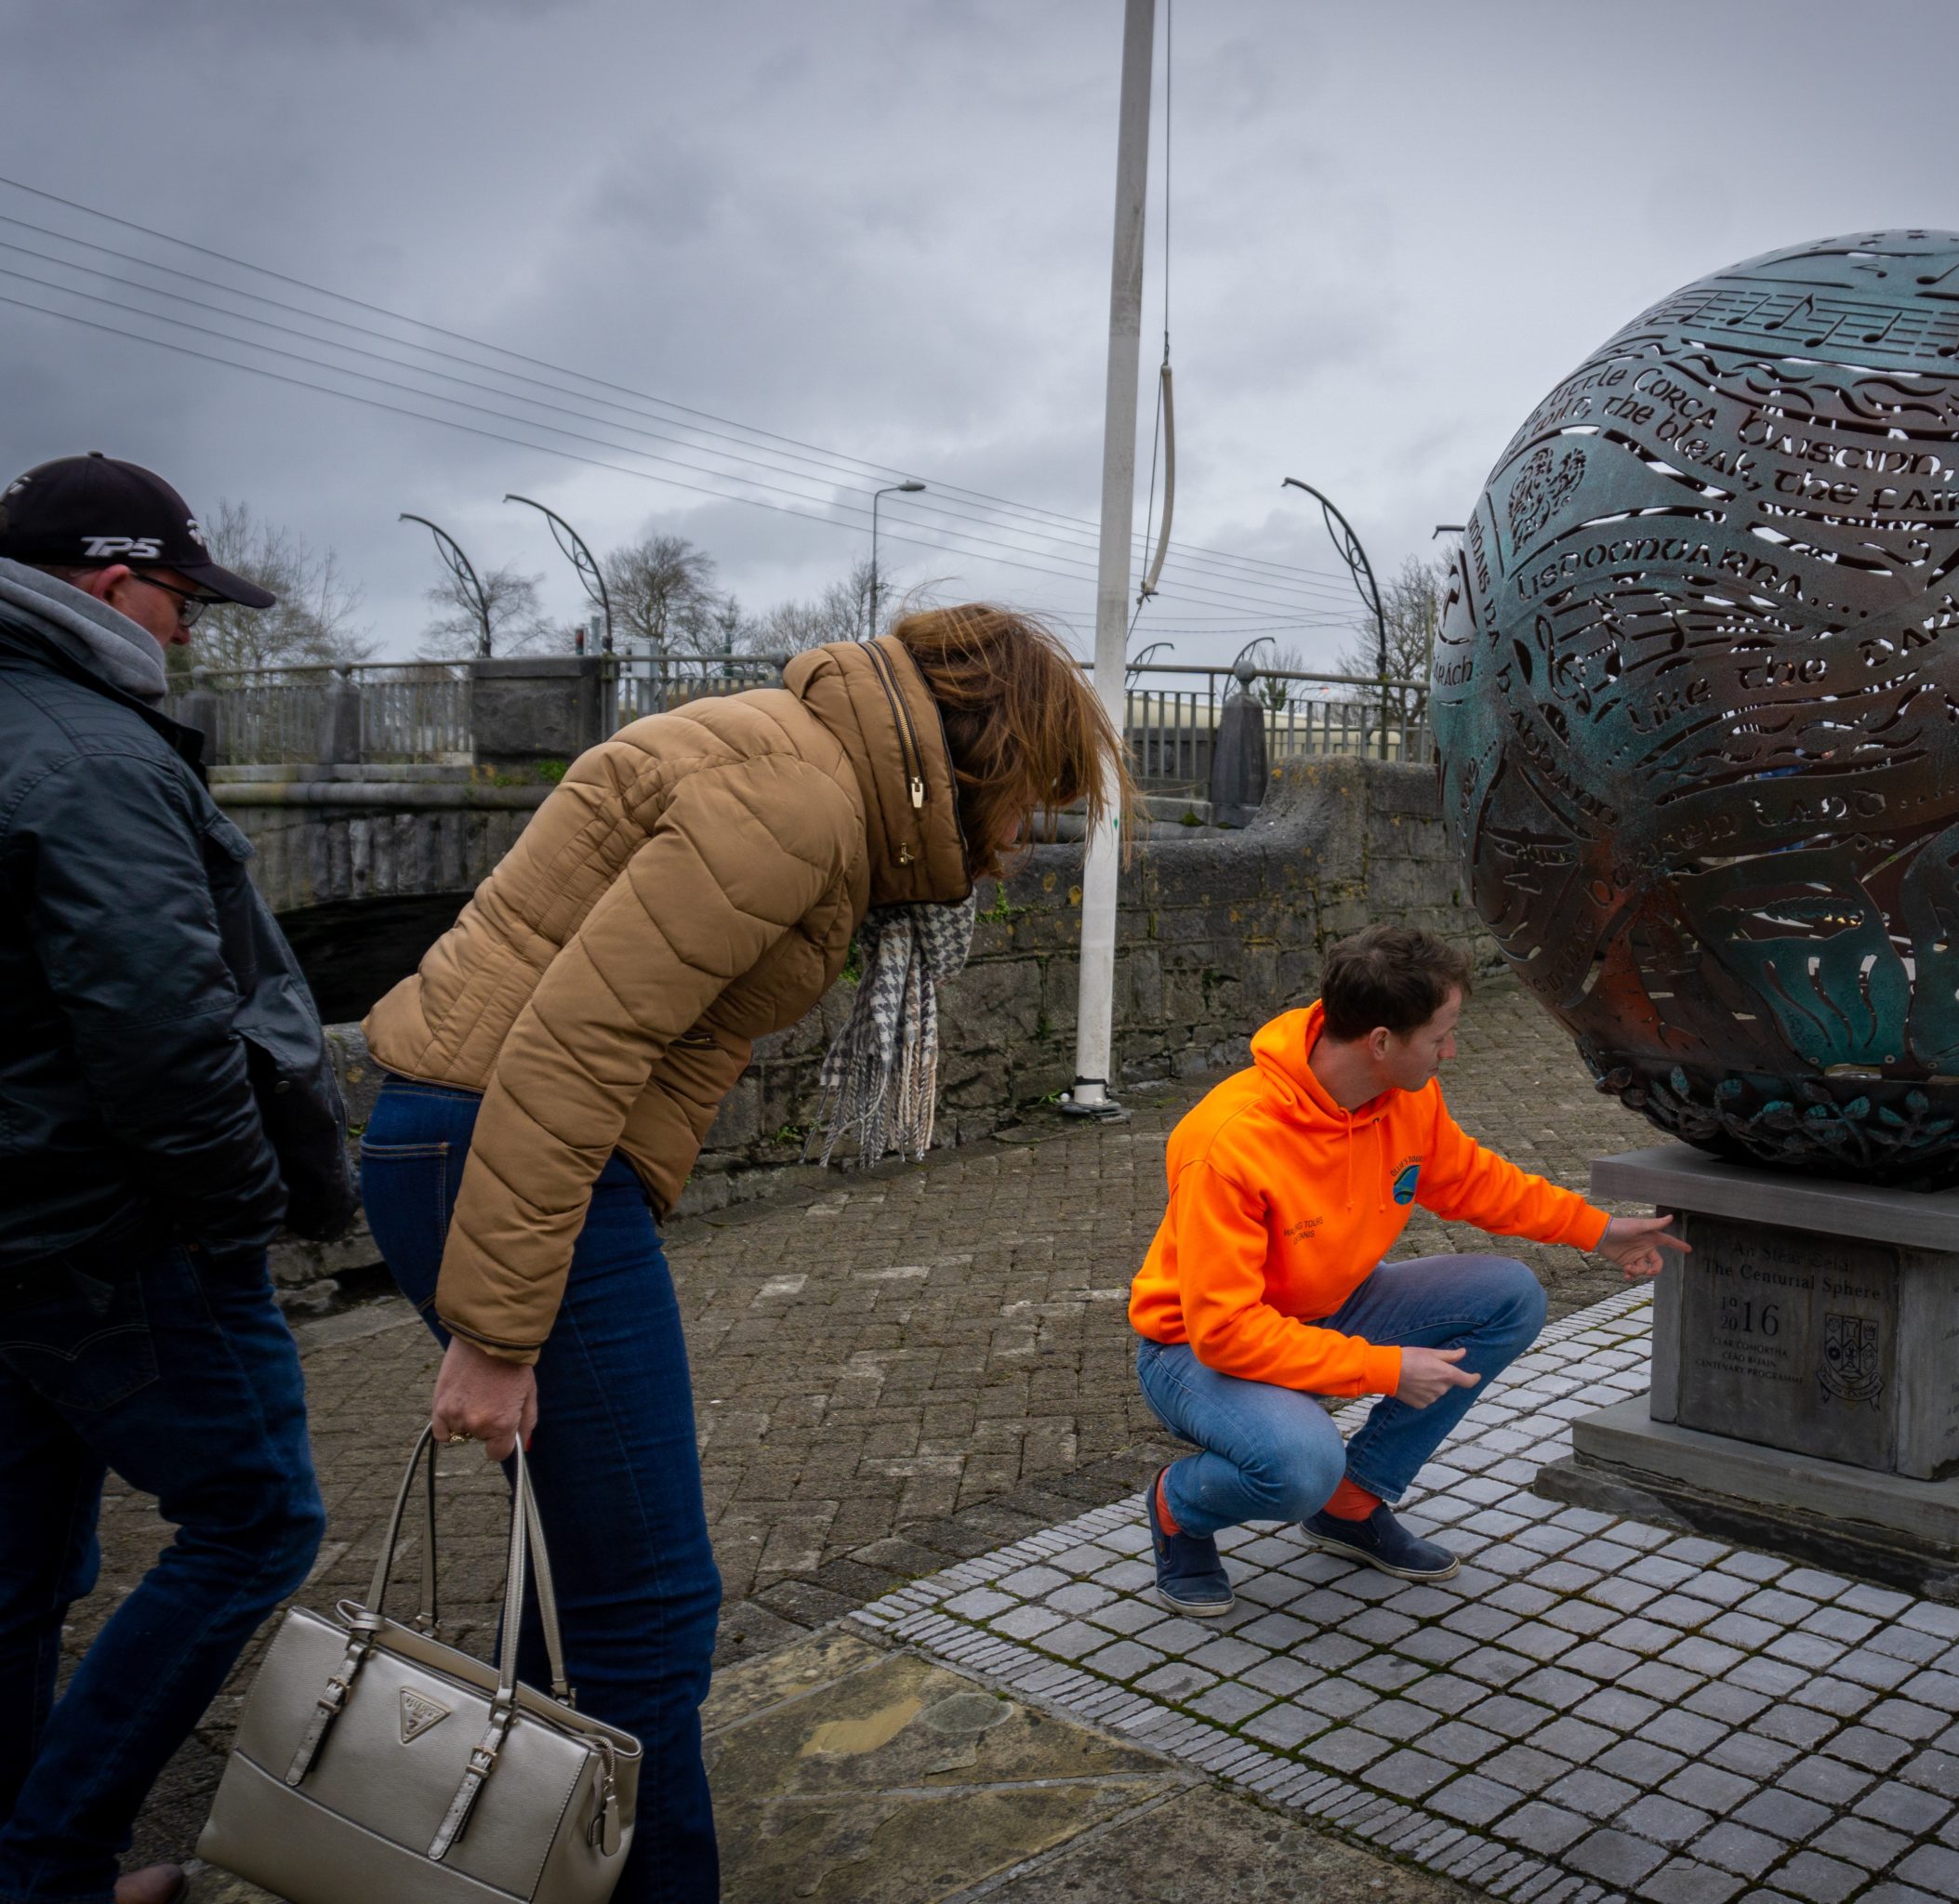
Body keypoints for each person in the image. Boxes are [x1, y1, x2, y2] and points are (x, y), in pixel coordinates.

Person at [357, 603, 1126, 1904]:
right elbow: (575, 1046)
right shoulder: (796, 804)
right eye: (1032, 804)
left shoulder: (803, 770)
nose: (1021, 844)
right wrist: (496, 1337)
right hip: (510, 1150)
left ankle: (513, 1856)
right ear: (982, 757)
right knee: (652, 1599)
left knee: (594, 1582)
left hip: (485, 1146)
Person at [0, 454, 352, 1904]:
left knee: (20, 1573)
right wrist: (233, 1217)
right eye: (176, 595)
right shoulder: (89, 753)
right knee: (261, 1518)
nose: (190, 629)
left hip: (20, 1231)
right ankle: (53, 1855)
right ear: (107, 584)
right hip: (109, 1234)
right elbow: (160, 1026)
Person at [1129, 925, 1688, 1614]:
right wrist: (1388, 1368)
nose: (1453, 1051)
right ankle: (1180, 1509)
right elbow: (1227, 1335)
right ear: (1382, 1042)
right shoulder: (1227, 1144)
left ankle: (1351, 1504)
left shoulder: (1405, 1096)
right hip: (1195, 1350)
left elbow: (1474, 1183)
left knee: (1508, 1296)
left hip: (1325, 1307)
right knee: (1299, 1464)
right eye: (1441, 1035)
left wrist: (1599, 1231)